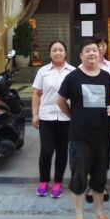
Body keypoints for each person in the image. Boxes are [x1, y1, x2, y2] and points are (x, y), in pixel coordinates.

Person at [57, 38, 110, 219]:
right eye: (88, 50)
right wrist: (73, 116)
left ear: (100, 54)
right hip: (80, 137)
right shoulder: (73, 77)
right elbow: (60, 100)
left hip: (102, 136)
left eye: (95, 50)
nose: (92, 53)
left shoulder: (106, 77)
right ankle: (79, 218)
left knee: (100, 178)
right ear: (81, 55)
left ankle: (99, 215)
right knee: (79, 177)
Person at [31, 40, 75, 199]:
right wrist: (35, 115)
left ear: (65, 52)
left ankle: (58, 182)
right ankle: (43, 181)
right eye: (54, 50)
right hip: (46, 116)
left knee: (62, 151)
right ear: (50, 53)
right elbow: (36, 94)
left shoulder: (73, 72)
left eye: (61, 50)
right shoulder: (43, 71)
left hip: (66, 117)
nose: (58, 53)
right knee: (46, 150)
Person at [84, 33, 110, 203]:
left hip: (106, 116)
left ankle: (101, 184)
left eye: (104, 45)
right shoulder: (83, 66)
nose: (101, 48)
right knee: (89, 150)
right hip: (88, 117)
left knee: (104, 150)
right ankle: (91, 184)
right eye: (98, 45)